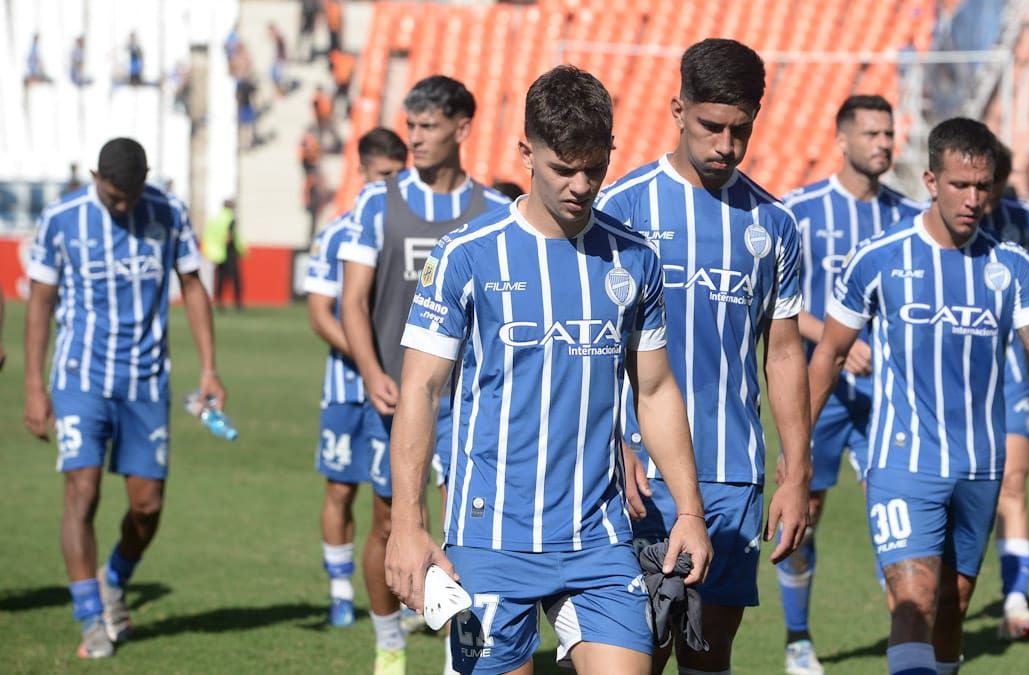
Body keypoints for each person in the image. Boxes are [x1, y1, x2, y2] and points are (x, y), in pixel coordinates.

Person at [384, 63, 712, 675]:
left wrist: (689, 511)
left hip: (600, 538)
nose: (581, 185)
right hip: (488, 539)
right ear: (525, 152)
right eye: (564, 168)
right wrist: (408, 525)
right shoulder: (465, 255)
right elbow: (421, 391)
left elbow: (658, 389)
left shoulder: (634, 258)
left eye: (594, 167)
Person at [809, 118, 1029, 675]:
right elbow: (829, 354)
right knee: (914, 601)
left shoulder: (1011, 265)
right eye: (960, 185)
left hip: (981, 464)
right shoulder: (878, 258)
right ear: (931, 180)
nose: (973, 199)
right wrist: (796, 452)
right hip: (903, 462)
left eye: (982, 187)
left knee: (953, 605)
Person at [596, 38, 813, 675]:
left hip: (733, 474)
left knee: (708, 651)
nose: (724, 144)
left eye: (739, 130)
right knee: (639, 650)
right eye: (710, 126)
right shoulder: (622, 209)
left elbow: (784, 353)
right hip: (640, 472)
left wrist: (796, 472)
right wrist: (614, 442)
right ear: (677, 110)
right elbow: (594, 344)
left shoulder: (774, 223)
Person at [23, 138, 225, 659]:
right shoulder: (61, 218)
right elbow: (41, 302)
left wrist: (208, 368)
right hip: (80, 377)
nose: (123, 205)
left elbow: (194, 286)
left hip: (146, 382)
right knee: (81, 494)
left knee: (147, 505)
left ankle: (113, 580)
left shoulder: (167, 211)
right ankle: (91, 618)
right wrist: (33, 385)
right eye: (114, 196)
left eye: (130, 195)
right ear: (95, 176)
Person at [337, 76, 509, 674]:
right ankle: (388, 643)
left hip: (471, 406)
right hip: (397, 398)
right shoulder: (377, 202)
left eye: (428, 127)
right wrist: (370, 370)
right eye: (410, 126)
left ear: (462, 129)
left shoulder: (496, 211)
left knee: (465, 531)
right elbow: (352, 301)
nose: (415, 138)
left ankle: (454, 654)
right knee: (391, 522)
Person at [776, 94, 922, 674]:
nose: (884, 143)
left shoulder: (910, 216)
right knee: (805, 509)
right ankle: (797, 638)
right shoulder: (800, 211)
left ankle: (909, 637)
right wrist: (837, 337)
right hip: (820, 392)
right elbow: (777, 305)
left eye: (889, 134)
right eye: (872, 133)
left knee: (900, 512)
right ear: (842, 140)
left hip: (889, 398)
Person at [303, 128, 406, 630]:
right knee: (341, 490)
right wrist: (371, 359)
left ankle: (402, 596)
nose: (391, 184)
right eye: (383, 175)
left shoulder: (407, 231)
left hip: (395, 390)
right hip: (348, 388)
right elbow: (322, 314)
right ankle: (341, 591)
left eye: (398, 175)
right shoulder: (339, 233)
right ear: (363, 172)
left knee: (396, 498)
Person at [977, 141, 1029, 641]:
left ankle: (1014, 602)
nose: (982, 198)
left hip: (1008, 373)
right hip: (951, 377)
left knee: (1013, 484)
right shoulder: (932, 225)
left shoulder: (1018, 220)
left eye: (992, 186)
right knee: (958, 494)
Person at [202, 199, 246, 312]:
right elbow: (229, 236)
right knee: (236, 280)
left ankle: (219, 303)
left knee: (220, 279)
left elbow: (208, 234)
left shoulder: (215, 218)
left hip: (217, 252)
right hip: (228, 252)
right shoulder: (230, 218)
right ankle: (238, 304)